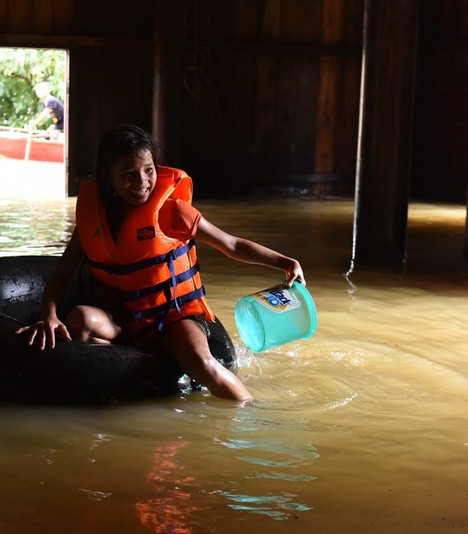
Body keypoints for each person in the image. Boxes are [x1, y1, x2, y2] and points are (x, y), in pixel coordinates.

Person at [15, 125, 305, 403]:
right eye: (129, 174)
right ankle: (131, 375)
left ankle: (252, 412)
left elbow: (231, 245)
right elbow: (59, 277)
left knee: (201, 362)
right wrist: (49, 317)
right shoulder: (93, 220)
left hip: (172, 317)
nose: (142, 182)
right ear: (107, 179)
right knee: (78, 320)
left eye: (148, 170)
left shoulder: (172, 211)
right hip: (122, 321)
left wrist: (284, 262)